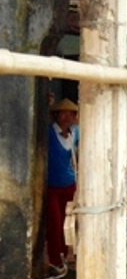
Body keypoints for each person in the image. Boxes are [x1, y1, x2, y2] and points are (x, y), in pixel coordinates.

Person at [46, 98, 79, 267]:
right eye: (63, 114)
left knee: (69, 224)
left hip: (70, 185)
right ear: (56, 115)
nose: (67, 117)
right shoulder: (49, 133)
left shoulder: (75, 133)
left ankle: (65, 255)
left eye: (70, 114)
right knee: (55, 223)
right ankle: (55, 261)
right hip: (52, 186)